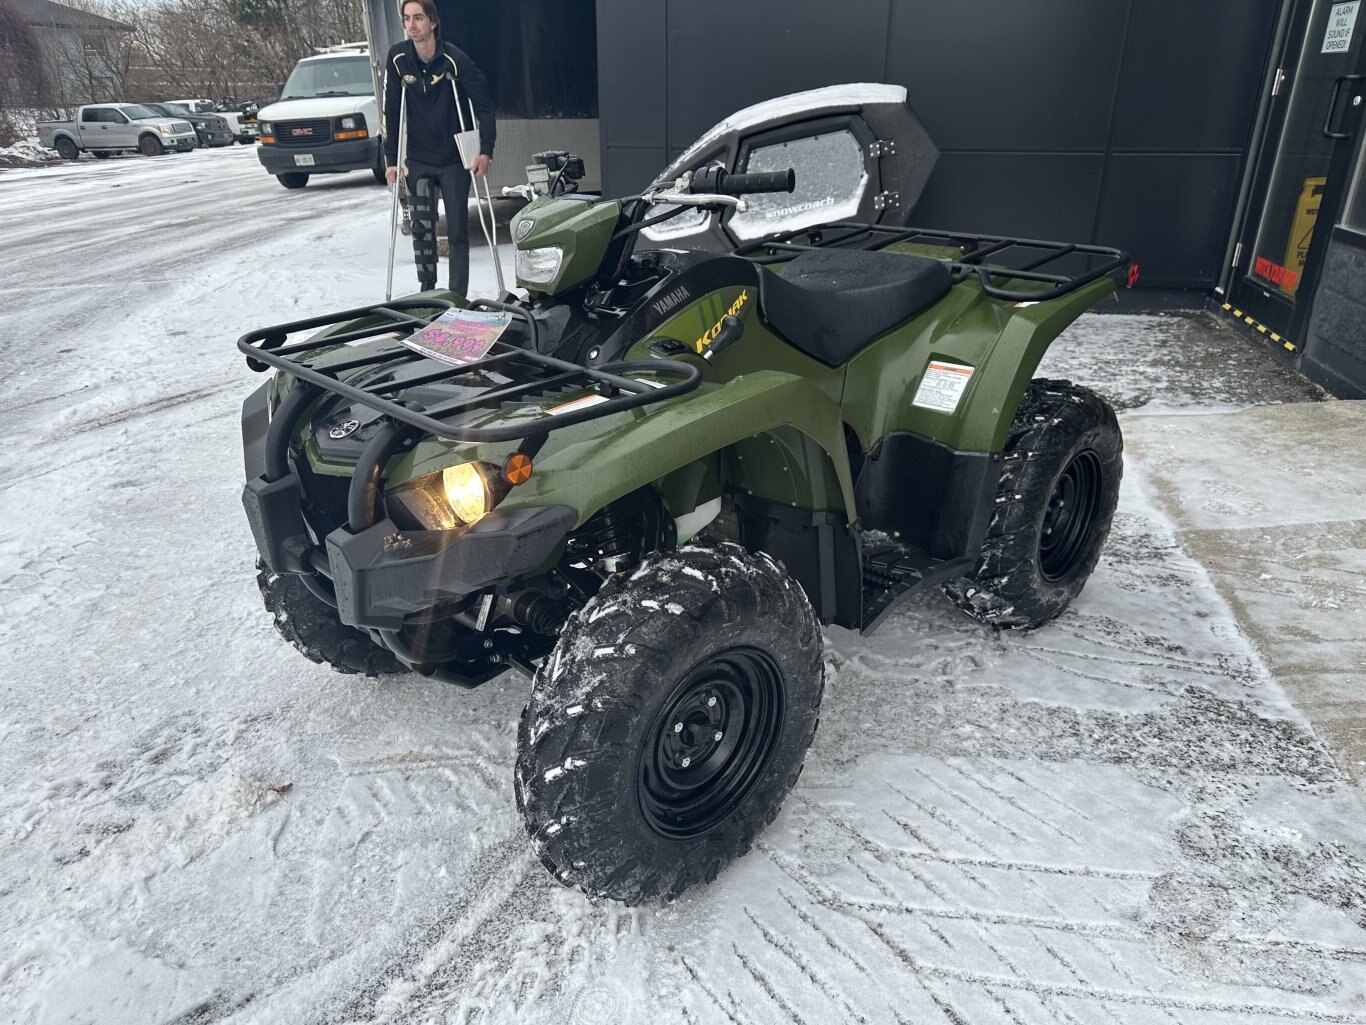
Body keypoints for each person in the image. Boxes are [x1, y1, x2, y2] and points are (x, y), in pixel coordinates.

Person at [383, 0, 496, 296]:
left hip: (452, 160)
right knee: (422, 231)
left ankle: (456, 296)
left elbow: (484, 105)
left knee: (458, 232)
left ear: (432, 22)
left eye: (418, 18)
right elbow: (391, 110)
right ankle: (427, 292)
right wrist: (390, 158)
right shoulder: (397, 59)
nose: (411, 25)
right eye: (406, 18)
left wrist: (485, 150)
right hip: (418, 160)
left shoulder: (453, 59)